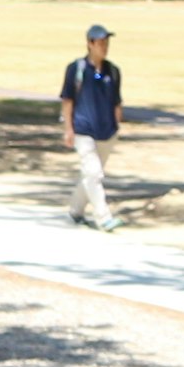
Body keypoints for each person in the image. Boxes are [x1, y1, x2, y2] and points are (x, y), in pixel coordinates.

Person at [59, 22, 127, 231]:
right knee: (94, 174)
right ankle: (103, 217)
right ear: (90, 44)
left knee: (89, 175)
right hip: (83, 130)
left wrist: (117, 126)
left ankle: (75, 212)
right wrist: (68, 129)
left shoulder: (111, 72)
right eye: (100, 43)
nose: (104, 47)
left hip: (106, 132)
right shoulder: (77, 69)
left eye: (106, 43)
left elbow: (116, 101)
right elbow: (68, 101)